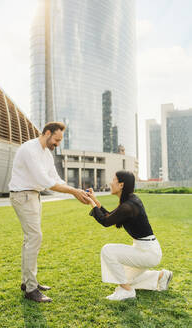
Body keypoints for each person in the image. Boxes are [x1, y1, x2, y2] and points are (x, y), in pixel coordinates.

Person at [9, 122, 89, 303]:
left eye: (60, 140)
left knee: (30, 239)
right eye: (56, 139)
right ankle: (30, 289)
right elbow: (45, 181)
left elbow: (55, 178)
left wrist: (77, 190)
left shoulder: (46, 154)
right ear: (46, 133)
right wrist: (74, 192)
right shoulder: (30, 150)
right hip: (23, 196)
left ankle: (28, 282)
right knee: (35, 237)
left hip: (33, 196)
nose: (58, 143)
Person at [86, 171, 173, 301]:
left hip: (147, 252)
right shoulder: (129, 202)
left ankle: (127, 291)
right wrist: (94, 200)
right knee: (124, 279)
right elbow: (109, 216)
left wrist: (91, 204)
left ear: (121, 185)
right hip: (146, 249)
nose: (110, 183)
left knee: (107, 250)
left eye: (113, 180)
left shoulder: (128, 206)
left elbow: (105, 221)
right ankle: (160, 276)